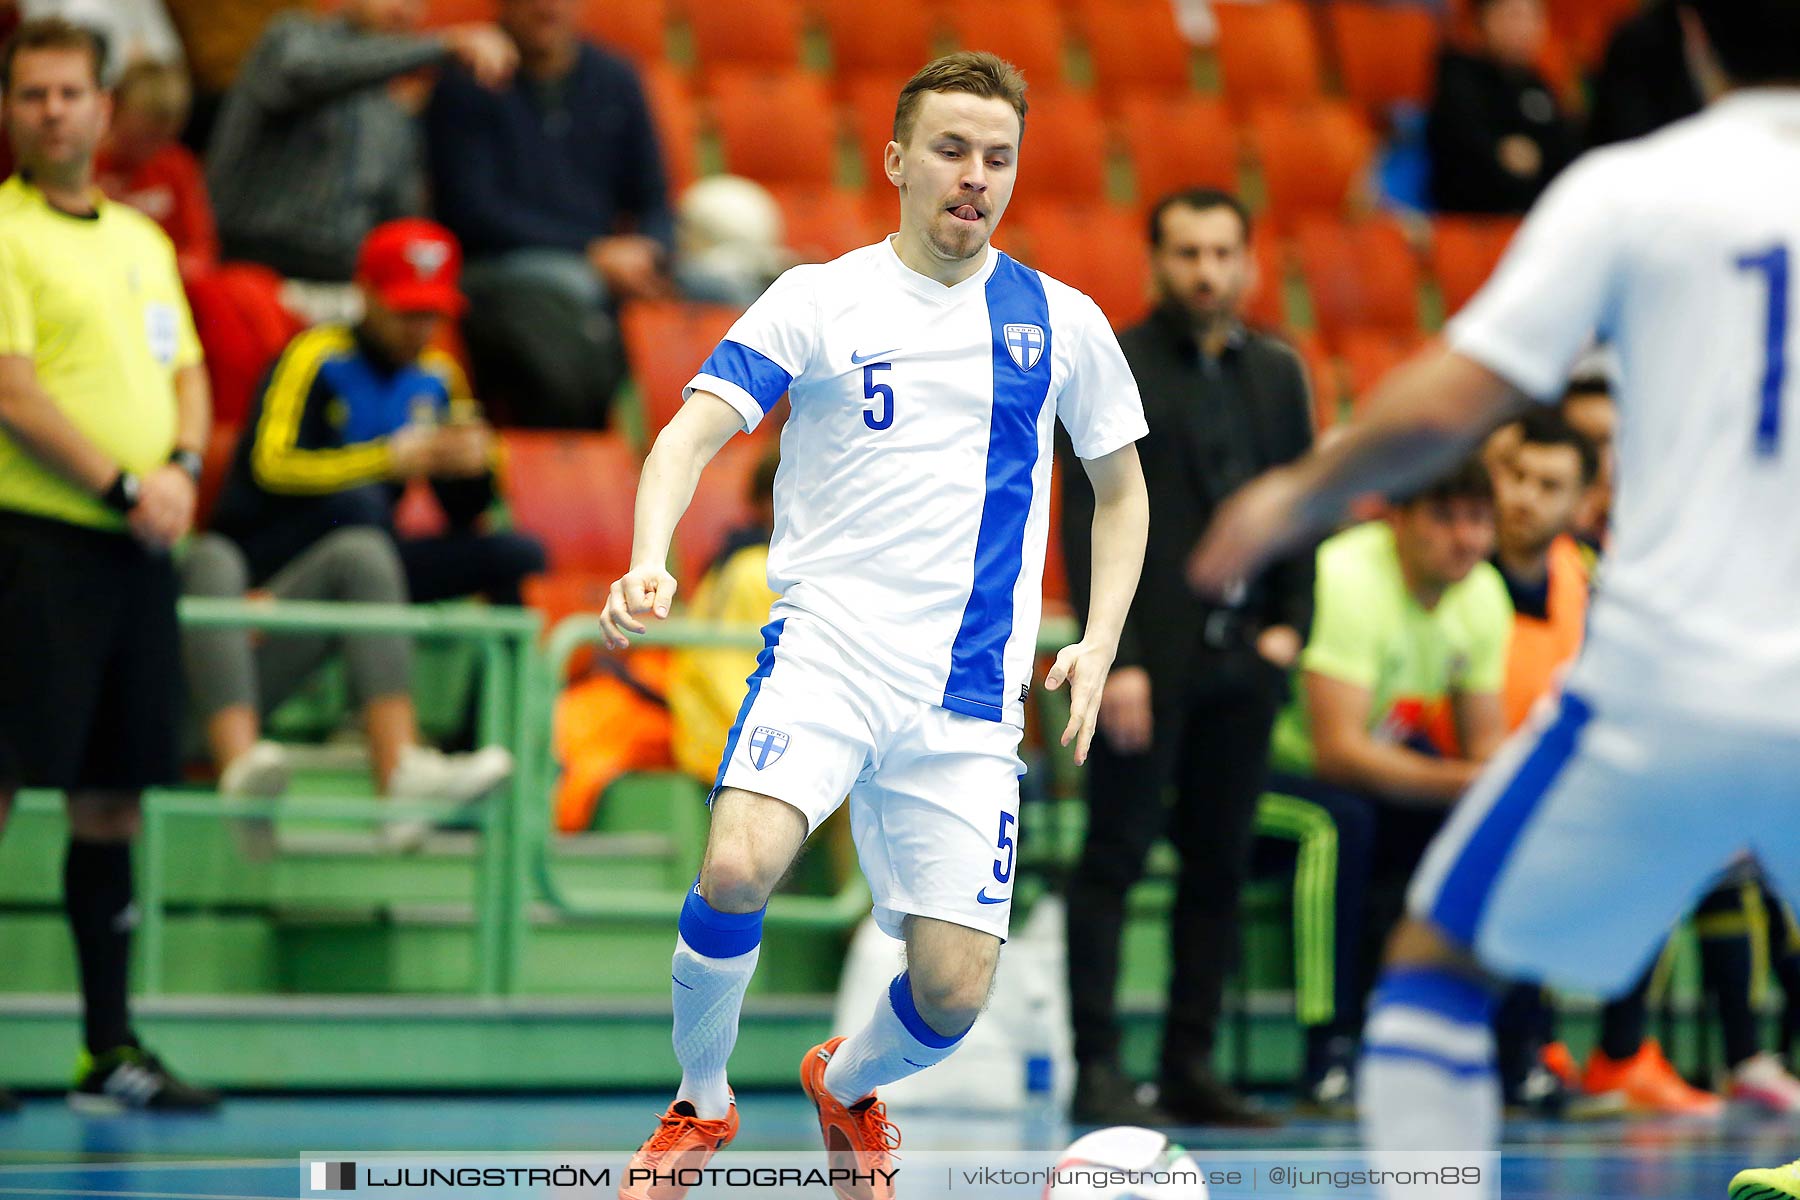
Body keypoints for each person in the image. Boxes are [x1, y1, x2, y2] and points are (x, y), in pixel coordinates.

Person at [1186, 2, 1800, 1195]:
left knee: (1436, 968)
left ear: (1693, 36)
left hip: (1661, 688)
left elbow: (1454, 399)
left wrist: (1297, 494)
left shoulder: (1633, 187)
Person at [597, 52, 1150, 1200]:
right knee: (739, 861)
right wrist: (649, 559)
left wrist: (1100, 637)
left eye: (998, 157)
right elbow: (688, 438)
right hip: (830, 656)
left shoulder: (1060, 320)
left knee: (952, 994)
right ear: (897, 159)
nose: (975, 177)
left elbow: (1123, 487)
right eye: (952, 150)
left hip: (970, 698)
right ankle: (699, 1104)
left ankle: (844, 1083)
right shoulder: (819, 297)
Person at [1059, 187, 1313, 1128]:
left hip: (1244, 661)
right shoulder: (1114, 364)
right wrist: (1108, 653)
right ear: (1155, 261)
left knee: (1217, 867)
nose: (1206, 272)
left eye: (1221, 253)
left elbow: (1300, 500)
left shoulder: (1280, 373)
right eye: (1186, 254)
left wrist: (1293, 620)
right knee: (1113, 859)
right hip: (1142, 664)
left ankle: (1190, 1065)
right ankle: (1098, 1066)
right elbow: (1087, 513)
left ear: (1248, 262)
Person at [0, 17, 215, 1112]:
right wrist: (127, 488)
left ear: (102, 103)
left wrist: (177, 467)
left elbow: (186, 373)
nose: (52, 112)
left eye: (69, 93)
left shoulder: (140, 239)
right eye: (31, 94)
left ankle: (105, 1051)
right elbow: (12, 389)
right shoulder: (3, 232)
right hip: (33, 549)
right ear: (12, 111)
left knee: (111, 803)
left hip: (135, 558)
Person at [1264, 458, 1511, 1113]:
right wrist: (1468, 780)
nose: (1466, 539)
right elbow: (1336, 753)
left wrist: (1487, 791)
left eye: (1480, 520)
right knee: (1338, 823)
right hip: (1265, 774)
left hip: (1376, 768)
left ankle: (1507, 1055)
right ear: (1396, 518)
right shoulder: (1347, 576)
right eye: (1446, 518)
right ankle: (1330, 1054)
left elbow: (1486, 747)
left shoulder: (1483, 591)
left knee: (1493, 827)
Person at [426, 0, 670, 427]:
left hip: (609, 263)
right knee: (570, 290)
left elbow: (654, 196)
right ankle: (589, 449)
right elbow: (472, 212)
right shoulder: (468, 81)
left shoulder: (616, 76)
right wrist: (592, 252)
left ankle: (733, 468)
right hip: (502, 266)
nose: (548, 6)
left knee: (724, 289)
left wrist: (652, 253)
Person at [206, 0, 516, 292]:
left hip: (346, 283)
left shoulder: (392, 108)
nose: (402, 9)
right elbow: (306, 72)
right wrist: (444, 44)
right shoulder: (293, 36)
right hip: (253, 270)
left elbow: (399, 214)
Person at [1426, 0, 1580, 215]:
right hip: (1474, 217)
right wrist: (1502, 153)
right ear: (1485, 19)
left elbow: (1563, 149)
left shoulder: (1538, 84)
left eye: (1534, 17)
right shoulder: (1457, 74)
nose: (1525, 28)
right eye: (1514, 15)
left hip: (1537, 215)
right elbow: (1466, 149)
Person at [95, 58, 217, 283]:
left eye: (161, 139)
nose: (148, 150)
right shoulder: (87, 164)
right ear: (113, 109)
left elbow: (201, 252)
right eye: (139, 138)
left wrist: (168, 271)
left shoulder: (177, 165)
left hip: (165, 285)